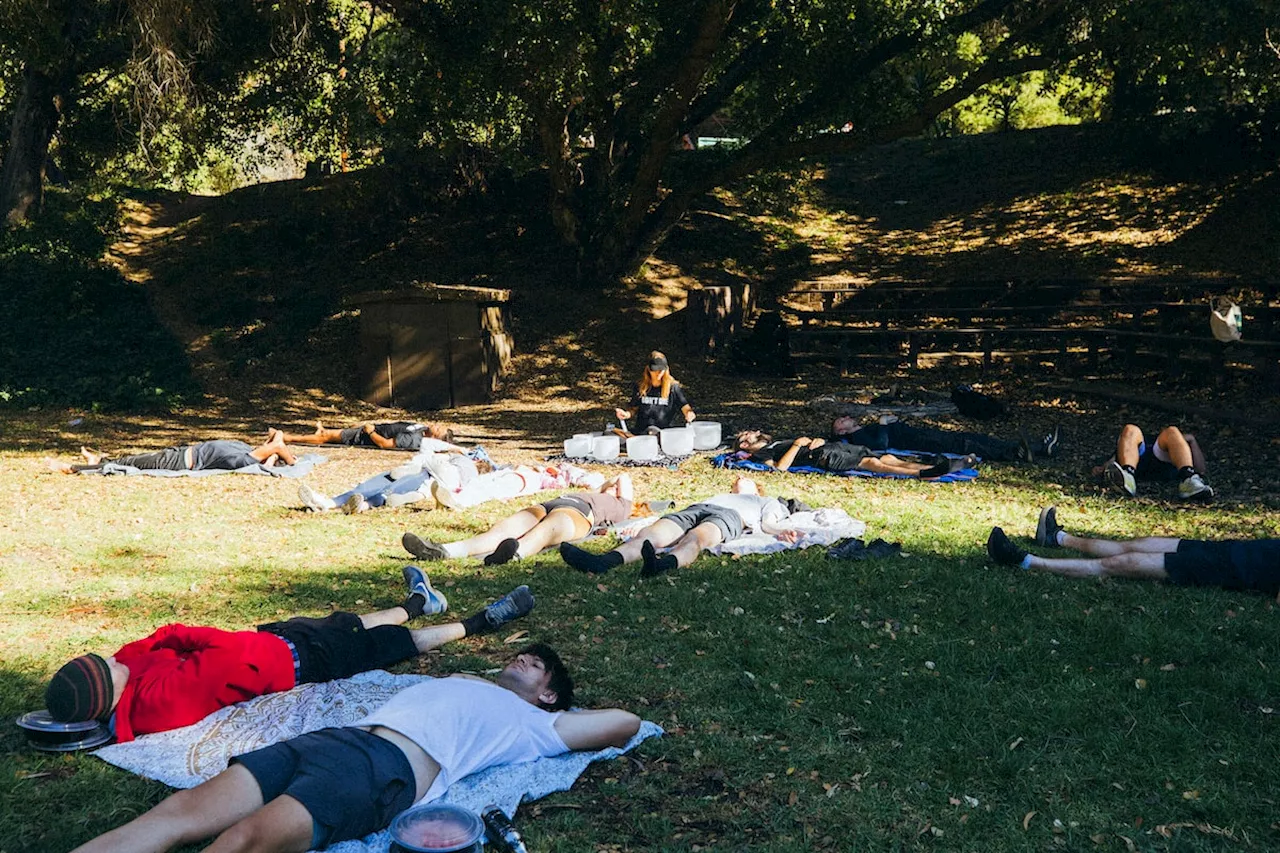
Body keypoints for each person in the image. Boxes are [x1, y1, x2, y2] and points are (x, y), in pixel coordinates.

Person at [68, 645, 641, 853]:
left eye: (536, 665)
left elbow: (626, 722)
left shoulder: (535, 726)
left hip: (380, 770)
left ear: (548, 694)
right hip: (330, 742)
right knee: (172, 817)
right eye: (521, 654)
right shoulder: (468, 683)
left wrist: (563, 714)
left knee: (240, 841)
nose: (520, 659)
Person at [44, 567, 535, 742]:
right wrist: (173, 644)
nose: (118, 656)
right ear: (109, 692)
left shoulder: (132, 672)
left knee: (352, 621)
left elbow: (160, 637)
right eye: (109, 665)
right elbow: (213, 649)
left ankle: (417, 602)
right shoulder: (156, 703)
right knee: (395, 645)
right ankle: (483, 620)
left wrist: (163, 646)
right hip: (300, 664)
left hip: (280, 640)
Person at [987, 507, 1280, 597]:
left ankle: (1024, 561)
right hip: (1227, 549)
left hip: (1225, 569)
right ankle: (1058, 538)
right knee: (1137, 544)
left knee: (1121, 563)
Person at [559, 476, 803, 578]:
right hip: (698, 507)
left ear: (757, 486)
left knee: (696, 538)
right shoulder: (718, 494)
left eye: (745, 479)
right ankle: (603, 562)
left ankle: (662, 565)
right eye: (736, 480)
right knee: (651, 535)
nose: (740, 480)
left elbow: (768, 523)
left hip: (733, 517)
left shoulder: (763, 500)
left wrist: (781, 532)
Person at [402, 475, 635, 566]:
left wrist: (610, 488)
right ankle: (443, 550)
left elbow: (623, 476)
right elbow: (608, 482)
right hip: (550, 504)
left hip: (581, 514)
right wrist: (604, 487)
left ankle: (512, 554)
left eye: (616, 489)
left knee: (544, 533)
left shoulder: (623, 506)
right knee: (498, 532)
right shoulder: (595, 492)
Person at [734, 430, 976, 479]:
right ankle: (926, 473)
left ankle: (947, 465)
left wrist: (815, 440)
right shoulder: (761, 454)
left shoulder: (775, 440)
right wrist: (797, 445)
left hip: (831, 446)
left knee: (887, 458)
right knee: (872, 464)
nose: (755, 432)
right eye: (749, 434)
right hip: (823, 458)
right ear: (744, 446)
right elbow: (779, 469)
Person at [46, 430, 298, 474]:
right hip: (180, 453)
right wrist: (280, 455)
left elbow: (277, 442)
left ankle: (75, 469)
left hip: (178, 462)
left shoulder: (243, 459)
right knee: (131, 460)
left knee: (130, 466)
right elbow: (276, 440)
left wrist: (284, 456)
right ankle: (98, 460)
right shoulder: (246, 450)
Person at [832, 416, 1059, 463]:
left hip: (916, 434)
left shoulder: (861, 429)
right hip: (917, 441)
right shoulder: (856, 437)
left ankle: (1040, 448)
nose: (844, 418)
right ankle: (1014, 454)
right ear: (842, 432)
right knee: (965, 445)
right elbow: (880, 446)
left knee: (971, 437)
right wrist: (883, 424)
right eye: (840, 421)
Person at [1093, 423, 1212, 501]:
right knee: (1131, 429)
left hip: (1164, 459)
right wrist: (1105, 467)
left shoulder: (1174, 440)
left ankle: (1188, 479)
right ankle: (1127, 476)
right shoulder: (1137, 437)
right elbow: (1118, 454)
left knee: (1172, 431)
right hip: (1135, 458)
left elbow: (1200, 469)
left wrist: (1191, 441)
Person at [614, 351, 695, 436]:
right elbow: (633, 409)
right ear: (648, 369)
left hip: (664, 434)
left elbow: (686, 408)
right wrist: (625, 414)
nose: (658, 372)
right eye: (655, 369)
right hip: (642, 433)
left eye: (661, 369)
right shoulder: (640, 386)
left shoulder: (673, 387)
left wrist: (689, 414)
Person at [277, 419, 454, 451]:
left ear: (435, 439)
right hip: (372, 429)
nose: (436, 425)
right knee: (331, 433)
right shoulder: (421, 428)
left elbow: (385, 444)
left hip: (367, 437)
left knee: (328, 437)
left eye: (439, 429)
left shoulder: (414, 439)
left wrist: (370, 432)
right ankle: (320, 432)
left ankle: (288, 438)